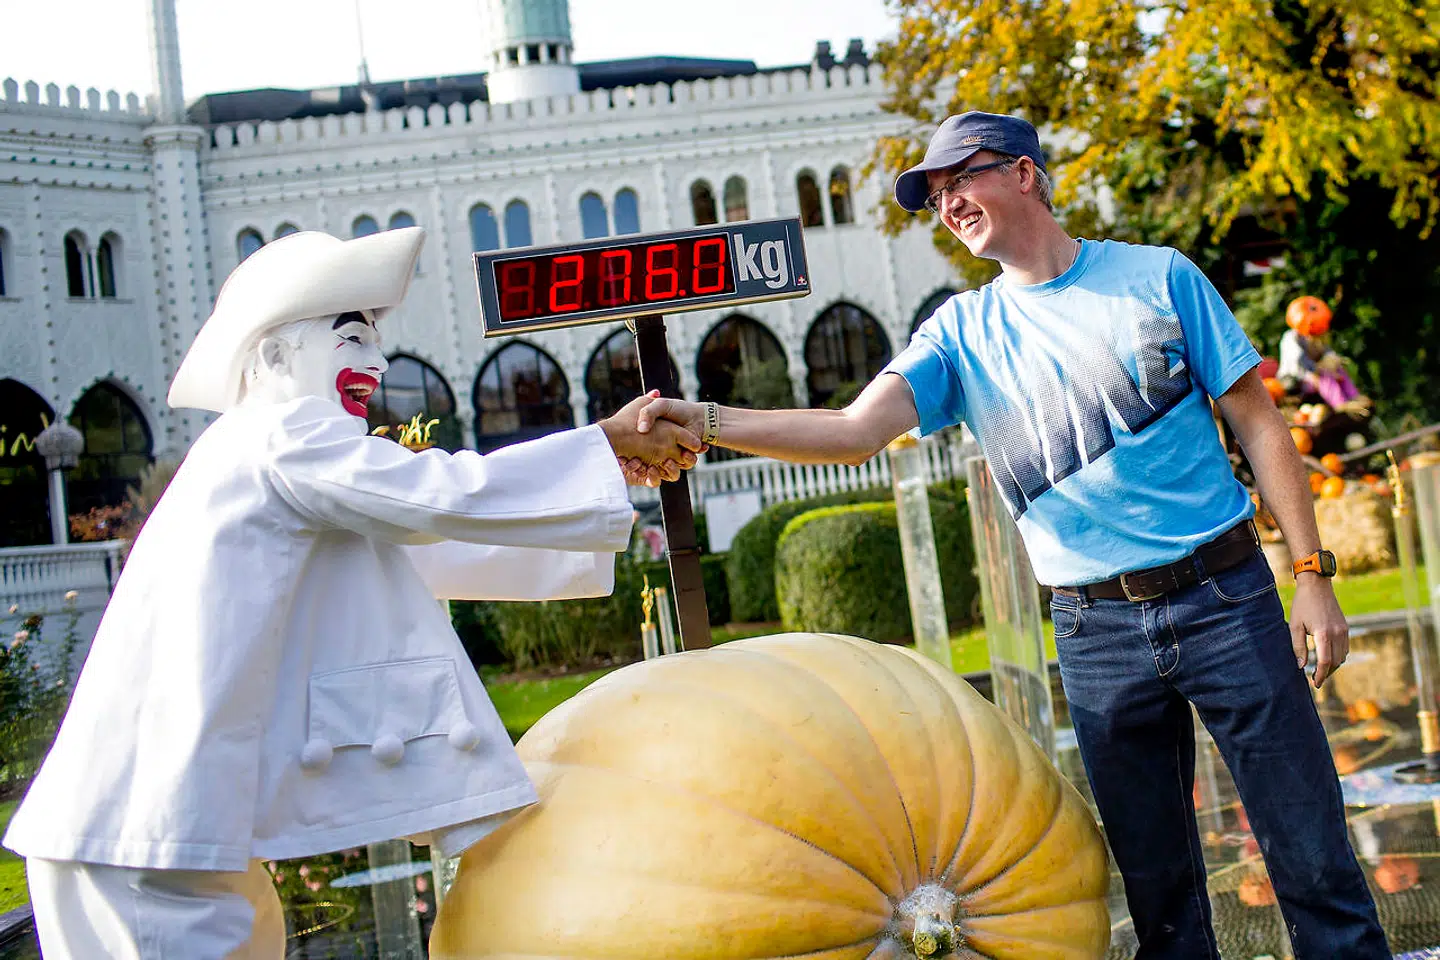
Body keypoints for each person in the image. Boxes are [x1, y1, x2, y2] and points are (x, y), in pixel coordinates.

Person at [628, 112, 1390, 958]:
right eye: (937, 196)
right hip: (1095, 632)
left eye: (963, 180)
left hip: (1226, 596)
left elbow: (1260, 425)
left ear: (1025, 173)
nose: (950, 204)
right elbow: (853, 431)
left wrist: (1313, 575)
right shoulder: (958, 334)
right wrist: (704, 419)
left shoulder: (1159, 279)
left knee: (1314, 862)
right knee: (1160, 895)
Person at [3, 227, 703, 958]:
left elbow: (418, 540)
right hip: (148, 839)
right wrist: (603, 446)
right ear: (274, 358)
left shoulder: (251, 457)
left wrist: (597, 473)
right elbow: (432, 498)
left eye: (377, 339)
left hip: (157, 829)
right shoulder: (281, 434)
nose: (378, 361)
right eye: (352, 337)